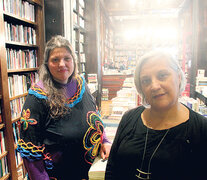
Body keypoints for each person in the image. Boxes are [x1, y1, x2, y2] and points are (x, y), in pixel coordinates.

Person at [17, 35, 111, 180]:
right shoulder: (37, 97)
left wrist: (104, 141)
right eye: (55, 59)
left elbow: (95, 116)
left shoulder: (81, 83)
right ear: (47, 64)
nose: (62, 64)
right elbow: (30, 151)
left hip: (91, 170)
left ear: (73, 61)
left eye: (67, 58)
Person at [105, 50, 207, 180]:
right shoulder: (129, 118)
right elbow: (112, 168)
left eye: (162, 75)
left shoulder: (201, 130)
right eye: (146, 81)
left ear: (179, 77)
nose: (154, 86)